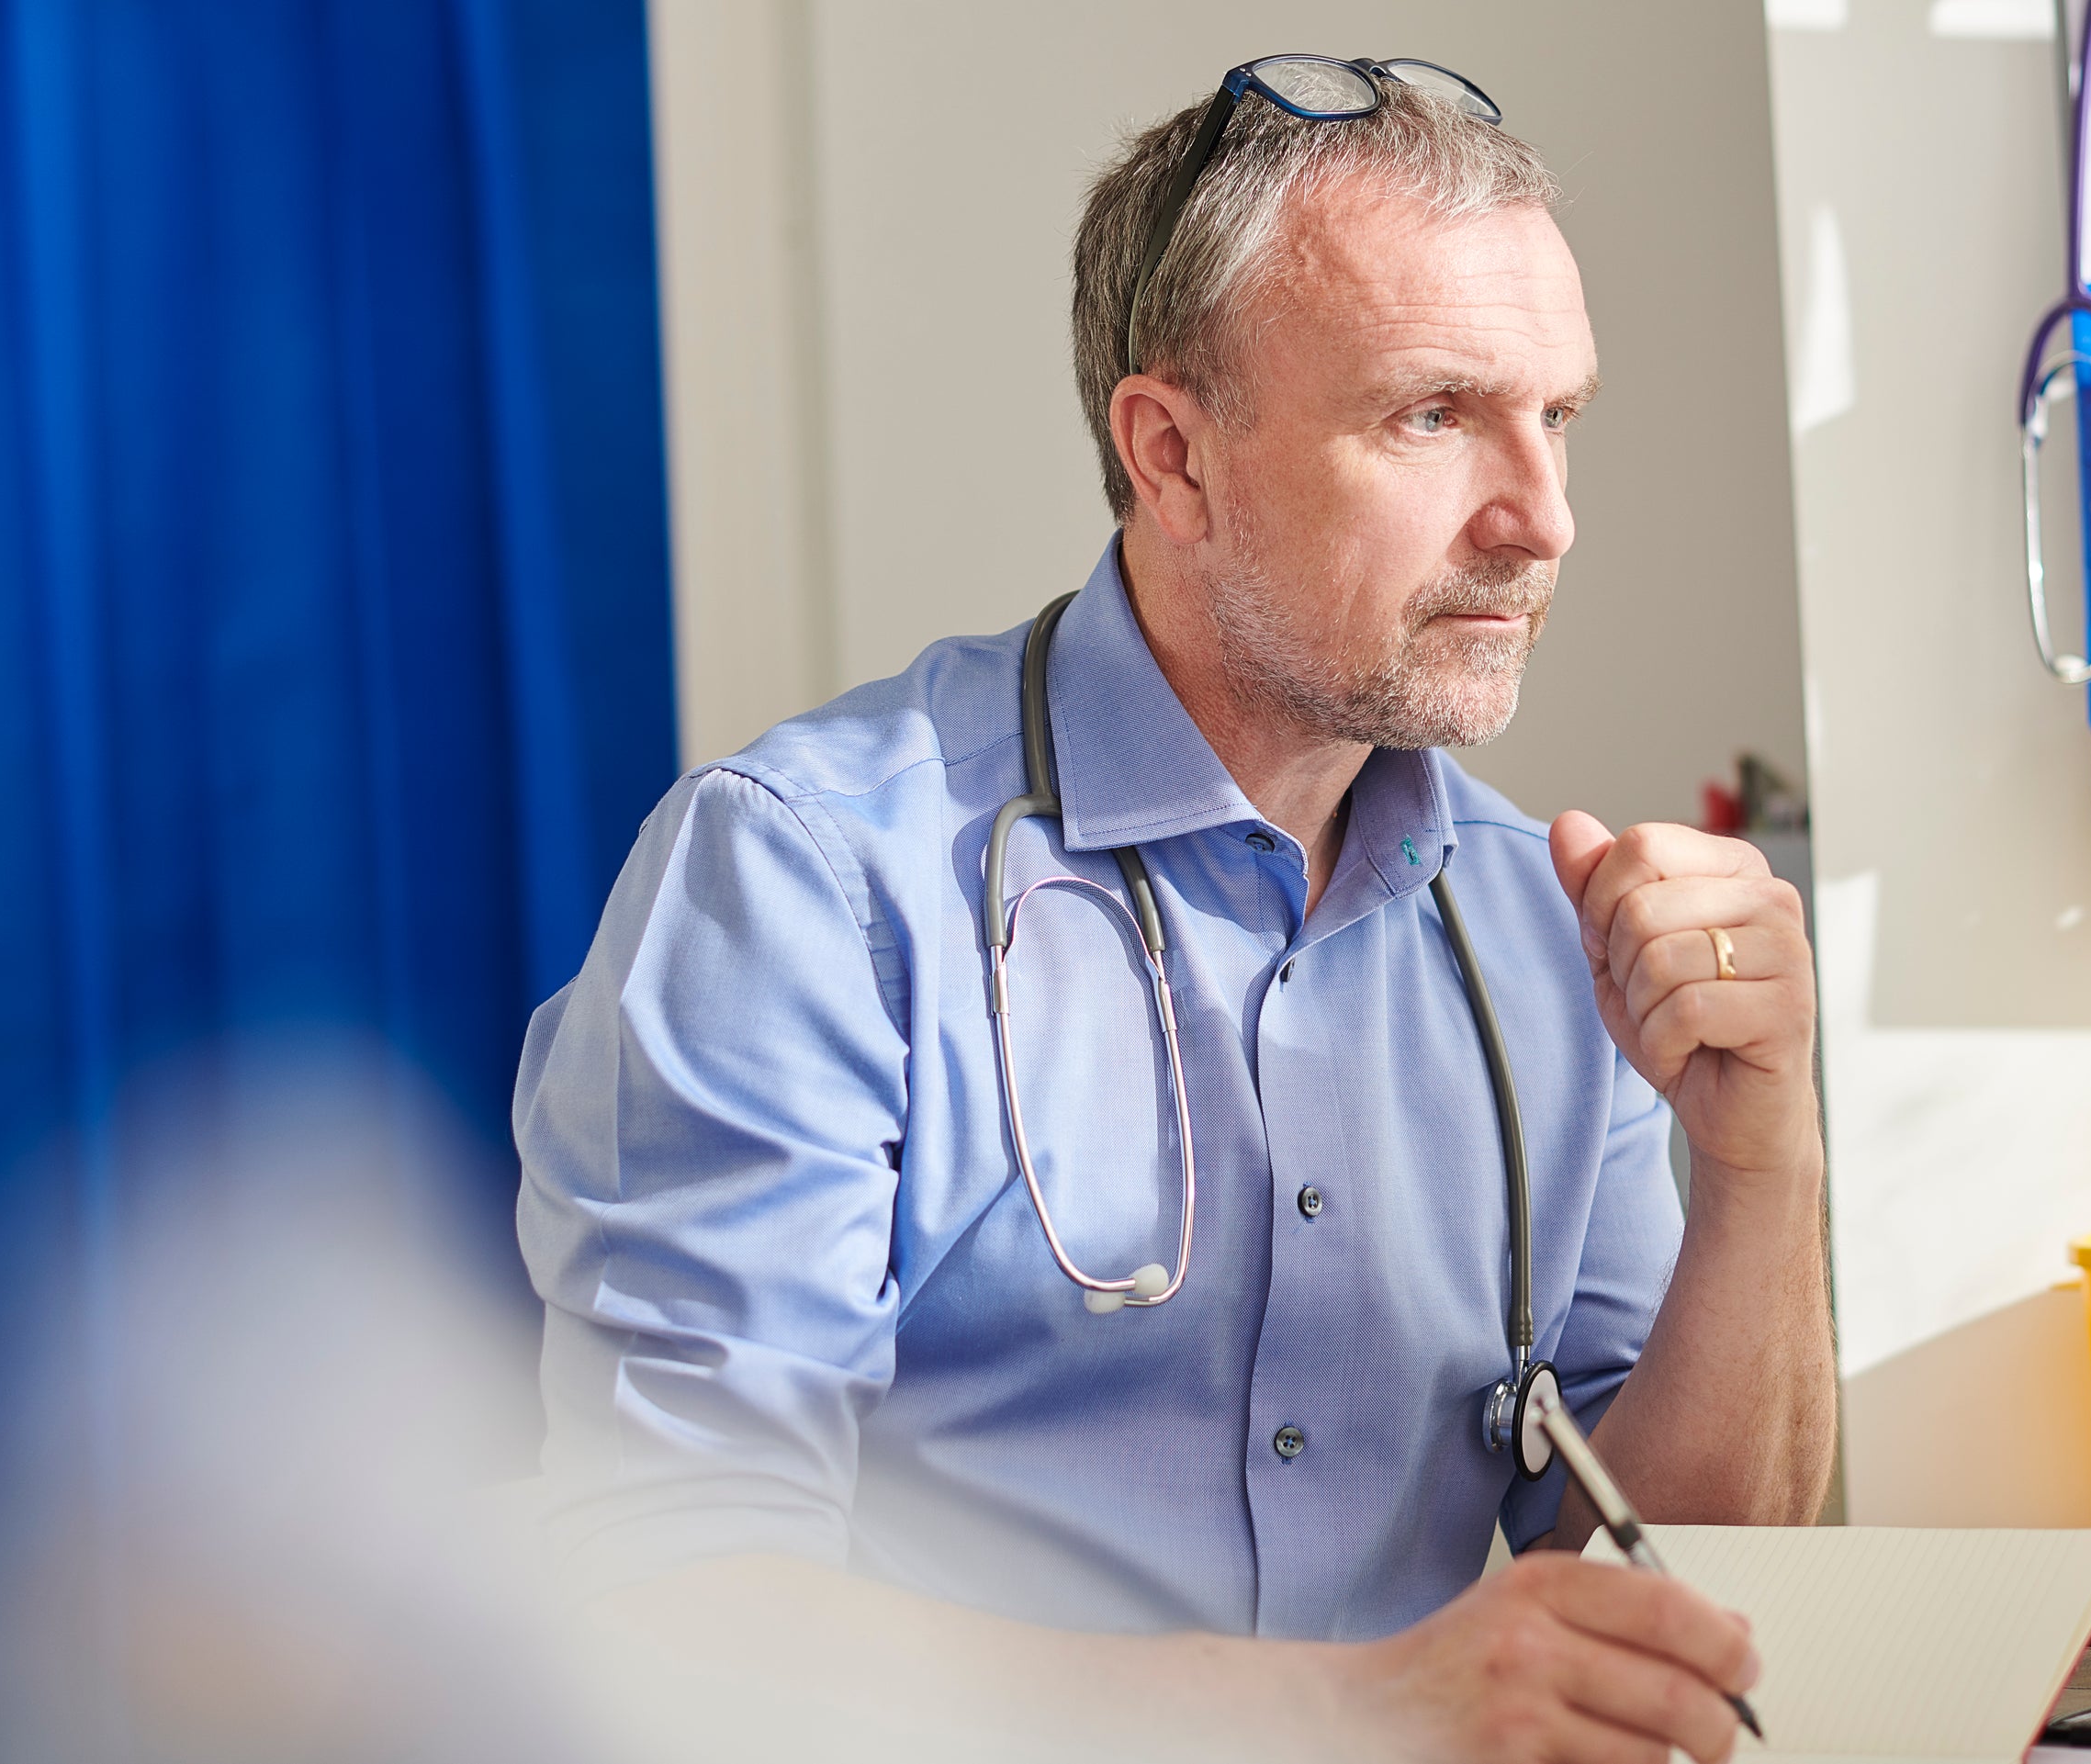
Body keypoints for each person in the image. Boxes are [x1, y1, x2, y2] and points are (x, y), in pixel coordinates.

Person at [515, 56, 1832, 1764]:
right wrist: (1350, 1717)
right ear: (1172, 454)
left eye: (1557, 416)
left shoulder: (1541, 922)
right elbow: (669, 1609)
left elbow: (1661, 1599)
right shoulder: (806, 883)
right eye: (1434, 415)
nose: (1542, 521)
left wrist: (1761, 1166)